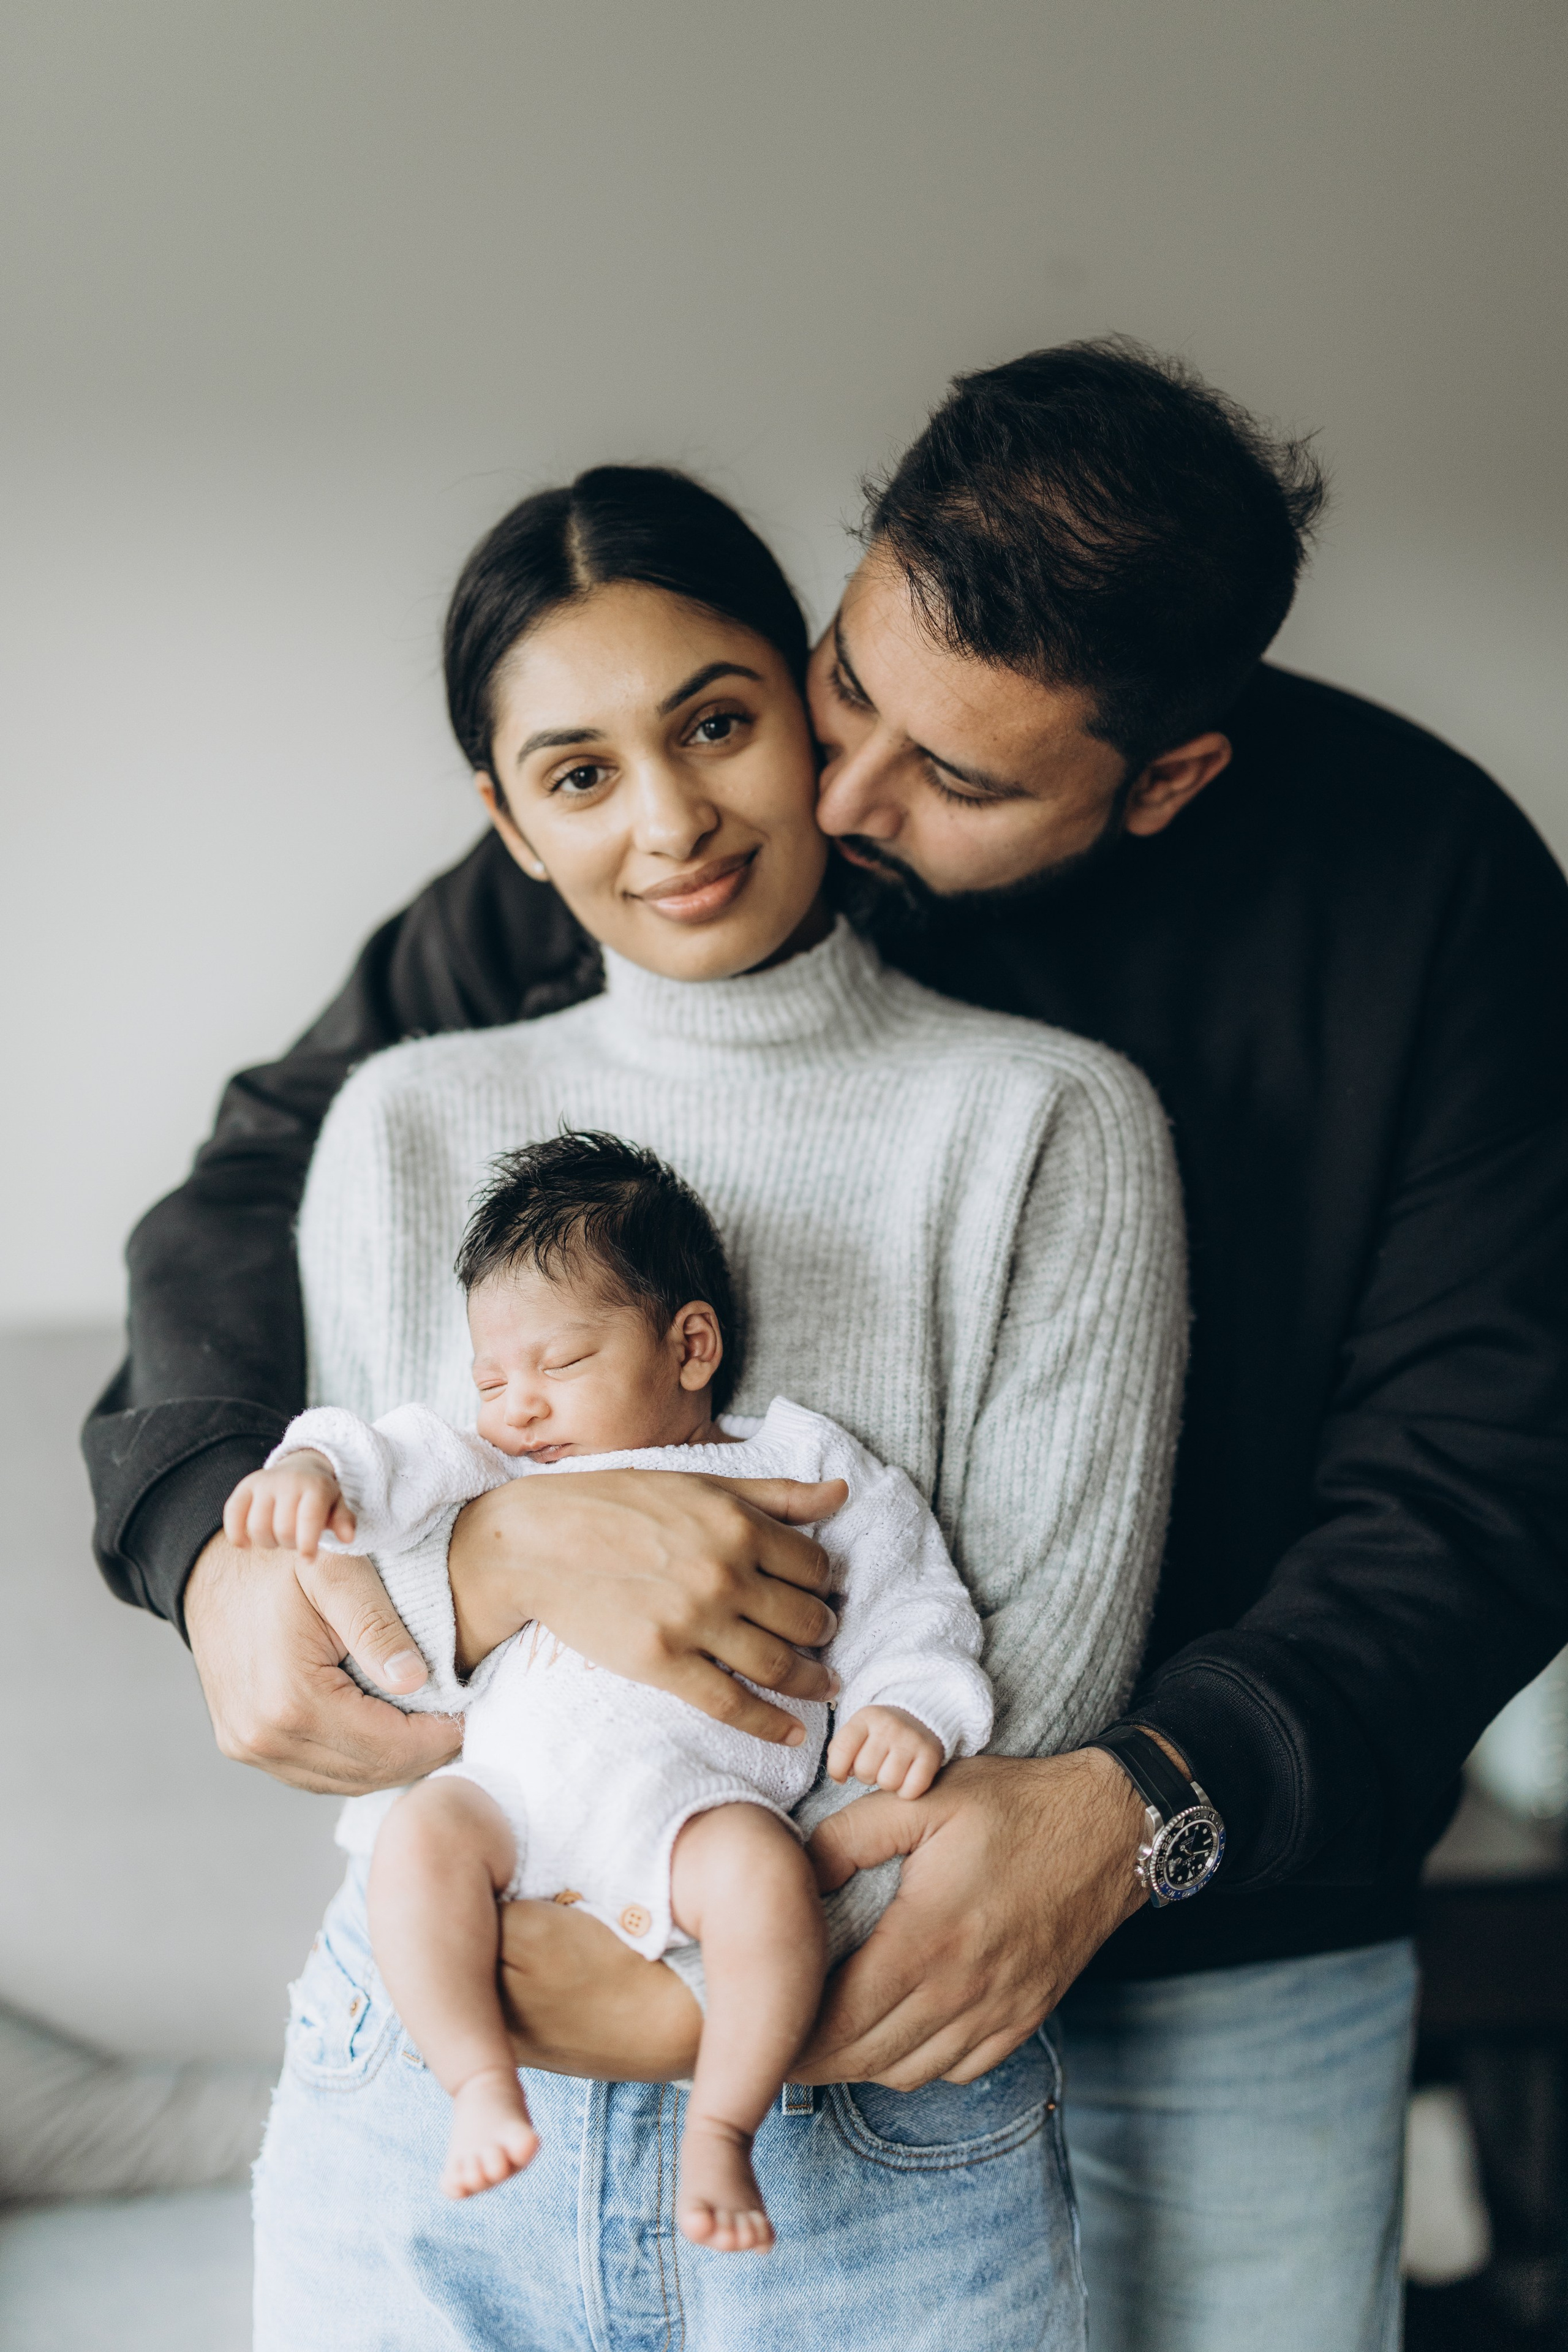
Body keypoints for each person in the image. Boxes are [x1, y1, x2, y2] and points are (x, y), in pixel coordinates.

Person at [84, 340, 1568, 2350]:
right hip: (700, 1888)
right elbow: (270, 1168)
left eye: (959, 779)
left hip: (1226, 1925)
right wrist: (217, 1534)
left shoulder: (1431, 895)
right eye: (844, 686)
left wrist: (1147, 1801)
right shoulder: (705, 813)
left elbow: (1484, 1481)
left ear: (1167, 779)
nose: (838, 799)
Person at [213, 459, 1183, 2348]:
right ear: (508, 824)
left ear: (814, 707)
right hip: (431, 2070)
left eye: (717, 725)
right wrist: (503, 1569)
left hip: (868, 2100)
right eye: (579, 774)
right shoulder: (401, 1124)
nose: (669, 821)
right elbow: (367, 1638)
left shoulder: (1044, 1123)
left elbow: (1031, 1699)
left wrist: (704, 1993)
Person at [227, 1131, 993, 2245]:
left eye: (561, 1365)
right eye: (493, 1378)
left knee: (770, 1887)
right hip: (509, 1798)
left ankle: (722, 2131)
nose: (518, 1407)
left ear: (691, 1346)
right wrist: (312, 1469)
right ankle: (477, 2083)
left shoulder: (799, 1465)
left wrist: (911, 1704)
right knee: (417, 1843)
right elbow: (385, 1454)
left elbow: (916, 1597)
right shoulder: (493, 1467)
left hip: (699, 1808)